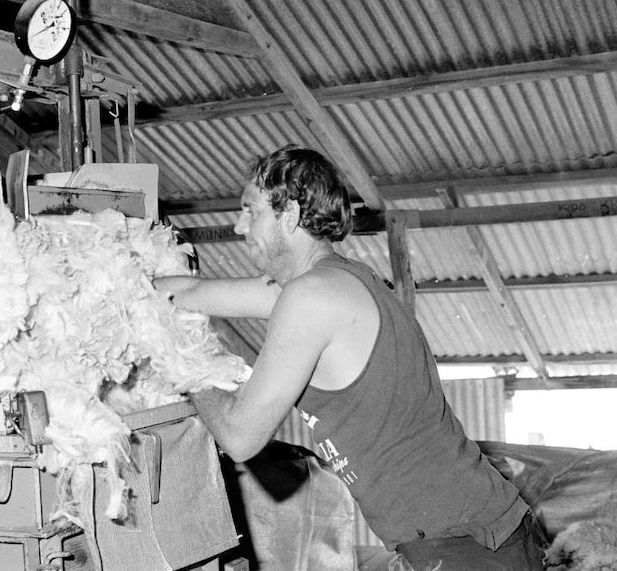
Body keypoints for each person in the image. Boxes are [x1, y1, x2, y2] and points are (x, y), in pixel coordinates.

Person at [153, 145, 546, 570]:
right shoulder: (332, 281)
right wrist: (120, 278)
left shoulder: (311, 297)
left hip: (464, 544)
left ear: (288, 216)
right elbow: (189, 293)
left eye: (250, 211)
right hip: (473, 531)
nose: (238, 225)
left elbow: (240, 436)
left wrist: (180, 359)